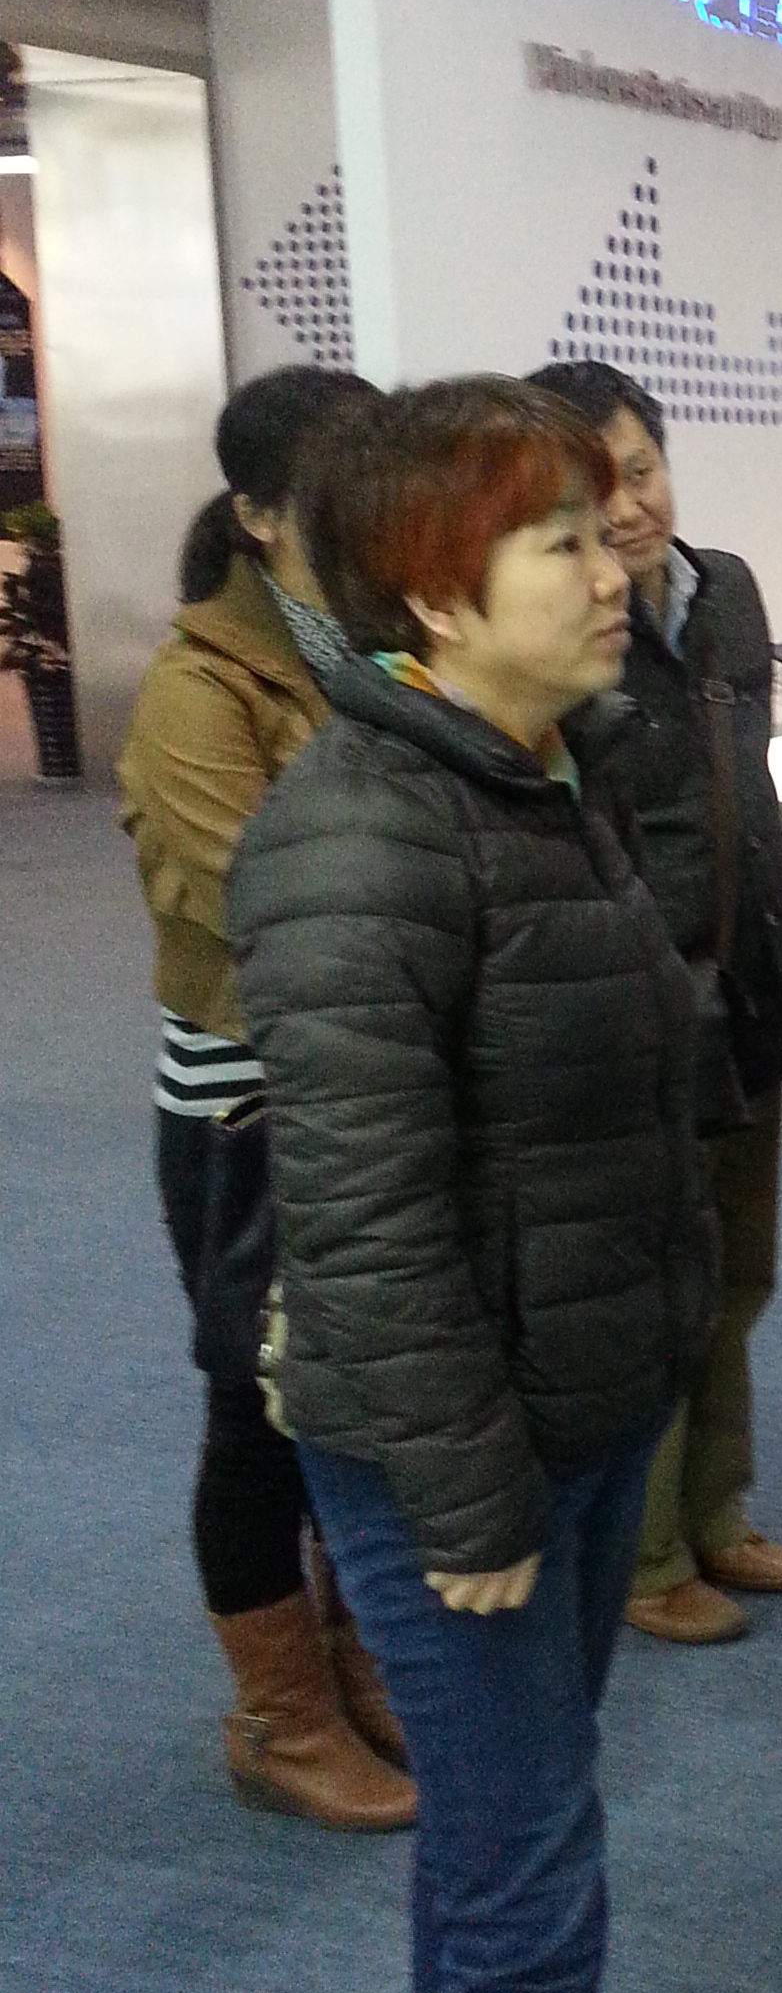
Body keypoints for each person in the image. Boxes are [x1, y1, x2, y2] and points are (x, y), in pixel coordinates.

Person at [227, 380, 728, 1993]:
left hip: (583, 1399)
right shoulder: (353, 838)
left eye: (610, 534)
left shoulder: (544, 772)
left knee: (503, 1847)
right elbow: (362, 1222)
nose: (618, 574)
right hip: (459, 1458)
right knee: (529, 1900)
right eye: (565, 547)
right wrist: (462, 1496)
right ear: (434, 598)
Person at [118, 364, 415, 1834]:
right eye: (342, 492)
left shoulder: (386, 643)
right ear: (258, 514)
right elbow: (268, 912)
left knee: (359, 1404)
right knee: (260, 1410)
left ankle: (358, 1664)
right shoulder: (202, 685)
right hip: (251, 1109)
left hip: (376, 1088)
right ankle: (280, 1721)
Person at [524, 358, 782, 1648]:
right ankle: (643, 1563)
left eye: (640, 471)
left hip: (749, 987)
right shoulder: (557, 632)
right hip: (641, 1008)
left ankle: (718, 1513)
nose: (630, 508)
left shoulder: (727, 591)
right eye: (595, 491)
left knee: (740, 1275)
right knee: (657, 1292)